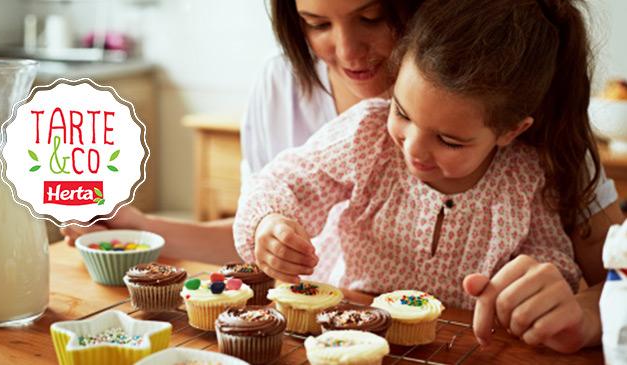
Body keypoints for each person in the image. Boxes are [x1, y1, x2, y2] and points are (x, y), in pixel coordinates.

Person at [232, 0, 622, 353]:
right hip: (343, 339)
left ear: (511, 131)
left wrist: (538, 297)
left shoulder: (527, 178)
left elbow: (553, 259)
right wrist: (270, 223)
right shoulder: (365, 134)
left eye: (450, 141)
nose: (414, 149)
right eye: (401, 112)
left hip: (458, 348)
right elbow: (284, 181)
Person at [59, 0, 421, 263]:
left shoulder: (452, 105)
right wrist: (140, 230)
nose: (347, 51)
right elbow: (254, 239)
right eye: (317, 24)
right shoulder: (281, 83)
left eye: (372, 18)